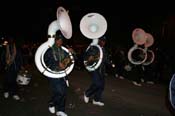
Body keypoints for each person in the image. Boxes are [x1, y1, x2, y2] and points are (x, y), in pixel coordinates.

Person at [44, 31, 73, 116]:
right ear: (55, 40)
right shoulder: (49, 49)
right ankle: (52, 103)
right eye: (58, 40)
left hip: (63, 74)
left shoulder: (63, 50)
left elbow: (70, 60)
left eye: (61, 40)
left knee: (64, 92)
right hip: (53, 74)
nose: (60, 42)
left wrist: (70, 53)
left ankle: (60, 110)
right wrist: (57, 63)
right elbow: (47, 61)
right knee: (59, 92)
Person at [83, 36, 110, 106]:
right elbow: (87, 57)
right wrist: (92, 57)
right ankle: (87, 93)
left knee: (101, 86)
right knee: (97, 83)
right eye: (102, 41)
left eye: (104, 41)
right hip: (94, 69)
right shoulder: (94, 47)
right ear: (98, 41)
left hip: (102, 69)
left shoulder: (104, 49)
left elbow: (106, 59)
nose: (103, 42)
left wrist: (111, 63)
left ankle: (96, 100)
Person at [1, 36, 23, 100]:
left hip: (15, 67)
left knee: (14, 81)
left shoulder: (16, 48)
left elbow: (20, 57)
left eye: (12, 39)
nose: (11, 40)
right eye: (10, 39)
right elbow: (2, 58)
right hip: (7, 67)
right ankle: (6, 91)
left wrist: (20, 65)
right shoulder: (5, 48)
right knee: (7, 80)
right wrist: (4, 65)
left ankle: (14, 93)